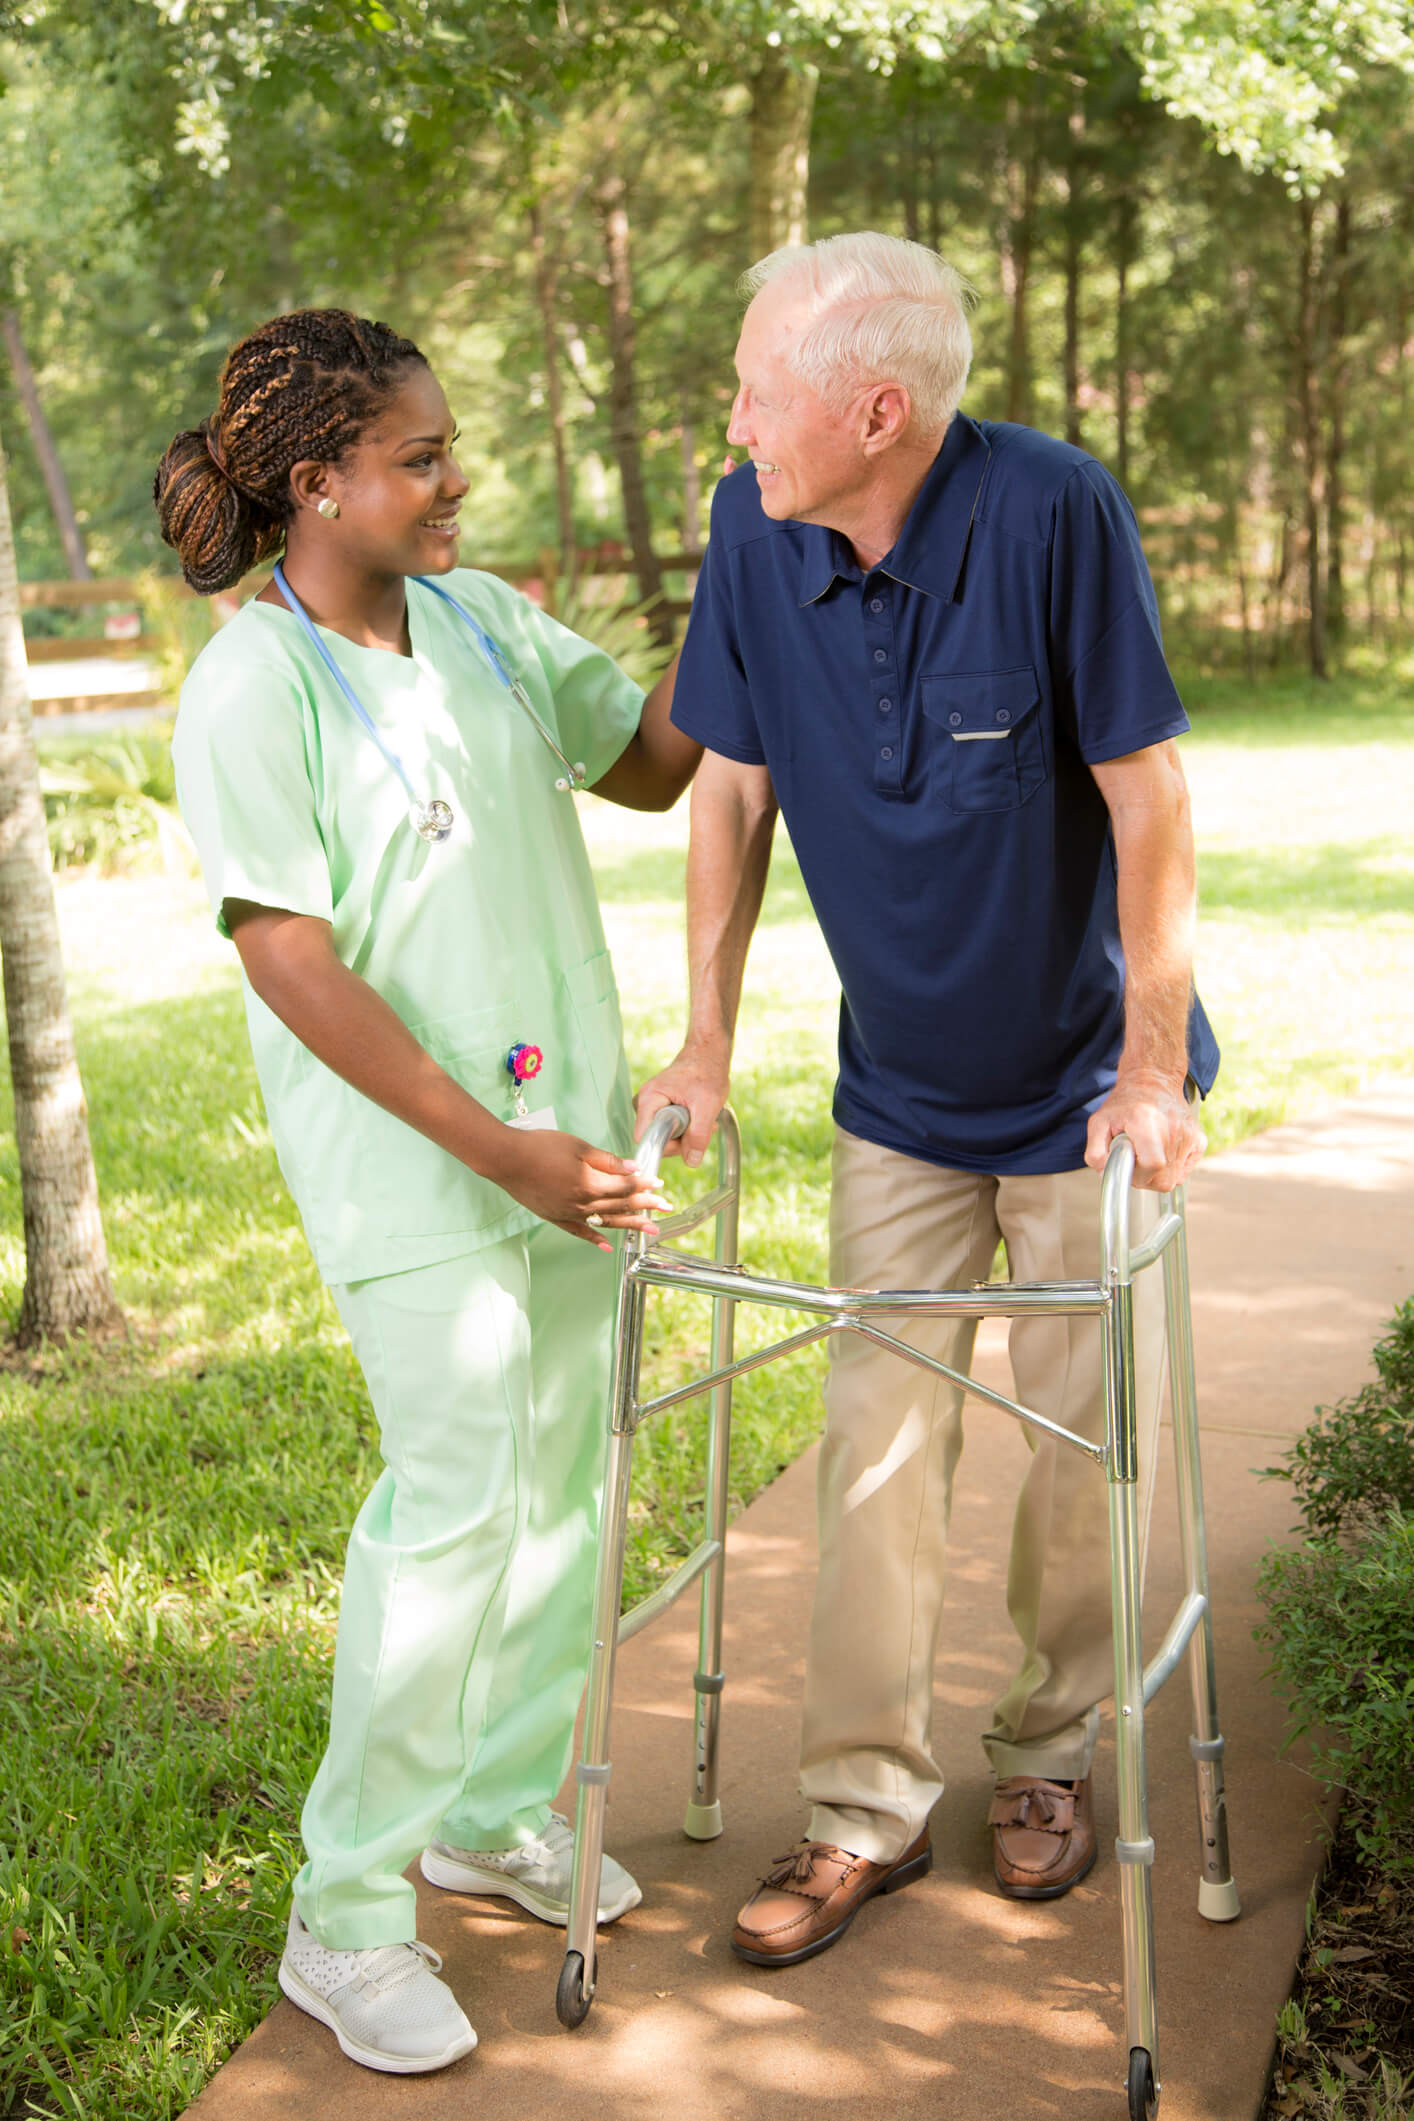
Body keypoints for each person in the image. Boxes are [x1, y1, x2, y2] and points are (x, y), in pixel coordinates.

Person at [636, 232, 1217, 1968]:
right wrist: (706, 1040)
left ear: (873, 408)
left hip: (1077, 1092)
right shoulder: (753, 527)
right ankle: (859, 1808)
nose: (730, 416)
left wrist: (1146, 1062)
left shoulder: (1052, 511)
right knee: (874, 1451)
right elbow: (728, 788)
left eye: (756, 385)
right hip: (897, 1091)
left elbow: (1146, 792)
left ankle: (1046, 1753)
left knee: (1073, 1457)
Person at [156, 308, 700, 2071]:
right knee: (458, 1505)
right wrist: (499, 1154)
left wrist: (752, 567)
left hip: (573, 1145)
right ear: (317, 483)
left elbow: (657, 762)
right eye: (420, 455)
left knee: (561, 1488)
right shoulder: (256, 681)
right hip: (427, 1170)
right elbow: (289, 959)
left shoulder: (480, 619)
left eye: (449, 444)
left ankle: (488, 1806)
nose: (456, 477)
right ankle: (350, 1907)